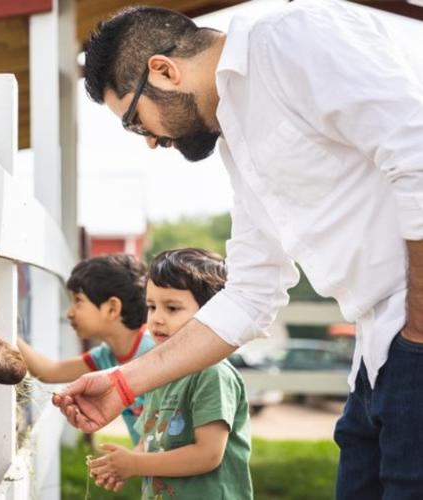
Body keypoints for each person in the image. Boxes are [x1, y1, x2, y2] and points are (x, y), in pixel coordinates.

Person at [53, 1, 423, 498]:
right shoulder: (237, 145)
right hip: (378, 349)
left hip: (412, 334)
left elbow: (417, 154)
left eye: (137, 123)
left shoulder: (292, 38)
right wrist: (123, 384)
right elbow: (250, 296)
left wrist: (419, 328)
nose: (150, 143)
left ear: (162, 70)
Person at [89, 249, 252, 499]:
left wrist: (135, 464)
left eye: (172, 308)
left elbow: (208, 455)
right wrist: (123, 464)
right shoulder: (158, 372)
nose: (156, 319)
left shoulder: (212, 373)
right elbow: (150, 439)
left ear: (211, 316)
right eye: (152, 307)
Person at [18, 253, 154, 443]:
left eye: (78, 300)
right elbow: (49, 372)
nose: (70, 313)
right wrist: (7, 329)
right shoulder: (105, 356)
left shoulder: (154, 351)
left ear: (111, 308)